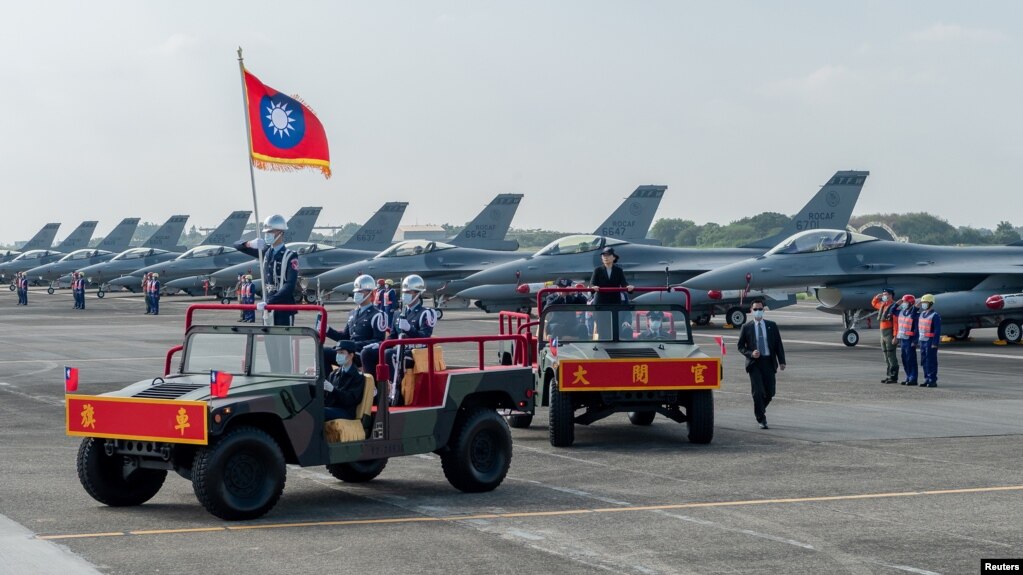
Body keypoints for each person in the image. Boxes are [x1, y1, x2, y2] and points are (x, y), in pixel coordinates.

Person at [381, 274, 439, 404]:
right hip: (399, 350)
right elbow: (392, 337)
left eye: (408, 292)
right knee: (376, 353)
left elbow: (424, 337)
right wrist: (381, 344)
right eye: (403, 292)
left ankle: (395, 392)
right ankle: (378, 391)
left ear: (418, 293)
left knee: (390, 354)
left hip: (414, 352)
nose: (404, 295)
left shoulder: (425, 313)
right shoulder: (398, 313)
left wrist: (409, 329)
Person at [234, 214, 298, 326]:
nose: (267, 235)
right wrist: (250, 243)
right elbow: (236, 245)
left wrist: (269, 301)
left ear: (281, 232)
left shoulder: (290, 256)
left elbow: (290, 285)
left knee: (284, 343)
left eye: (271, 232)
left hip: (283, 308)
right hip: (267, 308)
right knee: (269, 342)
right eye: (266, 232)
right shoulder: (264, 252)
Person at [737, 299, 786, 429]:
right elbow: (740, 346)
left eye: (760, 309)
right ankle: (761, 418)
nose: (758, 311)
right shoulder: (746, 327)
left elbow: (778, 345)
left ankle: (760, 409)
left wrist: (782, 361)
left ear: (763, 310)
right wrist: (750, 353)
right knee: (758, 392)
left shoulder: (772, 325)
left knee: (770, 392)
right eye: (755, 309)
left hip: (769, 362)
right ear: (751, 311)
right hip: (754, 363)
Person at [322, 274, 387, 371]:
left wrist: (354, 345)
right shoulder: (352, 313)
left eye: (361, 291)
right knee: (324, 352)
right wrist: (327, 330)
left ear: (371, 293)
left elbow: (378, 340)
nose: (357, 294)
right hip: (348, 351)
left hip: (362, 353)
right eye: (356, 291)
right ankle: (330, 383)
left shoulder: (377, 314)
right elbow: (345, 337)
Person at [323, 341, 366, 421]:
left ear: (351, 355)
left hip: (346, 411)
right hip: (333, 407)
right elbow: (327, 396)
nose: (338, 356)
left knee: (320, 412)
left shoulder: (357, 376)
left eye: (342, 353)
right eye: (337, 353)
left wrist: (333, 390)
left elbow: (350, 399)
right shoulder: (334, 373)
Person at [871, 287, 899, 383]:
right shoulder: (883, 305)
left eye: (886, 294)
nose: (884, 296)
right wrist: (876, 297)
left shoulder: (894, 307)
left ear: (891, 295)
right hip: (882, 334)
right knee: (886, 356)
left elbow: (896, 323)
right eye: (883, 294)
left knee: (891, 355)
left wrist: (895, 336)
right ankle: (889, 375)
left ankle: (894, 377)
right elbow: (874, 303)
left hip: (889, 333)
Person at [893, 294, 919, 385]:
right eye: (903, 302)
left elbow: (916, 329)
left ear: (911, 303)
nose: (903, 303)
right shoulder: (901, 312)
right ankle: (908, 376)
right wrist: (896, 304)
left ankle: (913, 378)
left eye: (905, 302)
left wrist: (915, 341)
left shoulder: (914, 314)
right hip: (902, 340)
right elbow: (892, 311)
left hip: (910, 340)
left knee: (911, 359)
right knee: (904, 359)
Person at [917, 294, 941, 388]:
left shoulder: (935, 316)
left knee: (931, 361)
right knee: (924, 360)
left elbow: (937, 330)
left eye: (925, 303)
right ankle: (926, 378)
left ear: (930, 303)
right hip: (923, 341)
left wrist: (935, 343)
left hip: (930, 341)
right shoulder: (922, 314)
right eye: (923, 303)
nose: (923, 305)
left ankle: (932, 380)